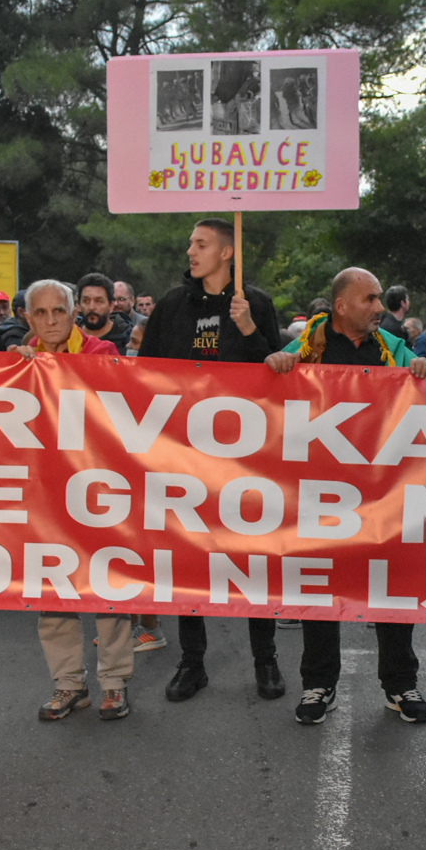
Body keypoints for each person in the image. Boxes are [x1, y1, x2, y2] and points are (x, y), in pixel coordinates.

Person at [267, 268, 426, 724]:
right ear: (341, 306)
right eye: (370, 299)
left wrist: (424, 368)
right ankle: (318, 685)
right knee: (322, 588)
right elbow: (263, 386)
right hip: (323, 493)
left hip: (383, 492)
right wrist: (276, 365)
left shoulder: (393, 347)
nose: (380, 307)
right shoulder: (305, 346)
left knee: (392, 587)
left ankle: (401, 685)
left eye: (380, 298)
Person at [139, 218, 286, 700]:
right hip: (185, 457)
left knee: (254, 559)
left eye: (200, 244)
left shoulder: (257, 304)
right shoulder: (172, 305)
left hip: (247, 460)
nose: (191, 251)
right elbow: (144, 376)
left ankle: (266, 661)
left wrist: (247, 330)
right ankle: (192, 662)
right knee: (190, 560)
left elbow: (277, 377)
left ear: (227, 252)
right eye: (189, 244)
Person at [8, 280, 133, 721]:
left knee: (107, 588)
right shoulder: (17, 362)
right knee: (53, 589)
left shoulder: (102, 355)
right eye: (39, 313)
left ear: (74, 311)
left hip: (98, 489)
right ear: (28, 318)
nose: (49, 321)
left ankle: (114, 683)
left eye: (57, 311)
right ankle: (68, 685)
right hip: (44, 494)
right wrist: (15, 372)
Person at [75, 273, 132, 350]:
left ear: (111, 305)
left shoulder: (127, 338)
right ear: (78, 305)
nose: (92, 307)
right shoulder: (69, 336)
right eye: (86, 301)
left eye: (99, 301)